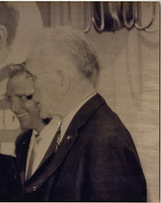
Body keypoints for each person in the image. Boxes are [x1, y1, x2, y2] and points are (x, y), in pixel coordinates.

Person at [22, 26, 147, 201]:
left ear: (62, 80)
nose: (28, 90)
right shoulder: (78, 129)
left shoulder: (104, 141)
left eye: (32, 78)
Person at [6, 63, 59, 186]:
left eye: (23, 97)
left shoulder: (68, 138)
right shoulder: (22, 142)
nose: (14, 108)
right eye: (10, 99)